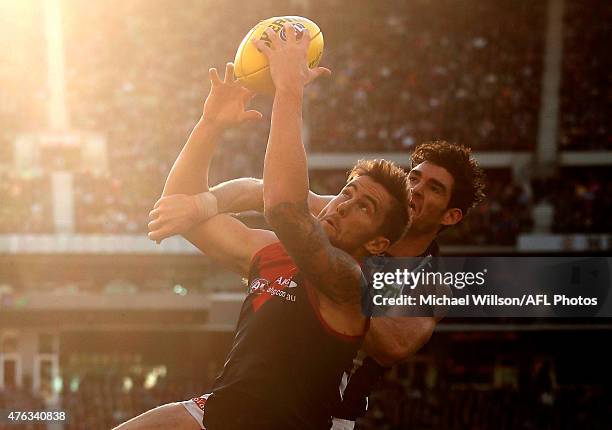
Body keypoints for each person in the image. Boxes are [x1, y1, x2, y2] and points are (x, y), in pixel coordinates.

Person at [115, 24, 410, 430]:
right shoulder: (271, 253)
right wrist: (210, 125)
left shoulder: (349, 284)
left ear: (378, 242)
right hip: (219, 413)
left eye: (365, 206)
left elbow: (285, 209)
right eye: (347, 192)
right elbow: (177, 208)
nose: (345, 205)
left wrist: (289, 89)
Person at [150, 140, 486, 428]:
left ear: (451, 216)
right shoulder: (352, 209)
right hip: (253, 387)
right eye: (415, 177)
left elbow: (393, 346)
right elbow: (261, 192)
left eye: (434, 188)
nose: (416, 190)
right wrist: (200, 205)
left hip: (320, 414)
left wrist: (331, 275)